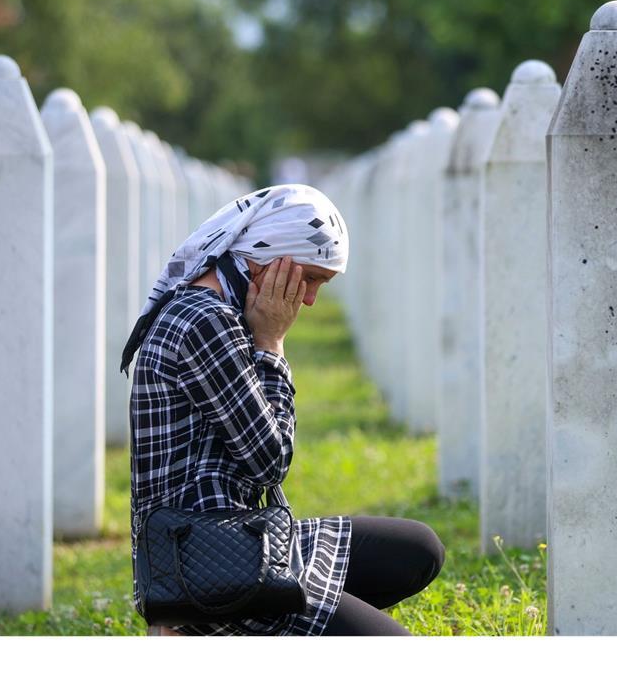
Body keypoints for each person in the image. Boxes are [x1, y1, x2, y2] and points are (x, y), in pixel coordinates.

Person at [122, 184, 444, 636]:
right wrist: (271, 344)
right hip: (205, 564)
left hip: (236, 532)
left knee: (418, 549)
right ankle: (195, 633)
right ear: (270, 257)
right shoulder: (206, 320)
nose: (310, 299)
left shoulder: (219, 308)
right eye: (310, 278)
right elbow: (269, 462)